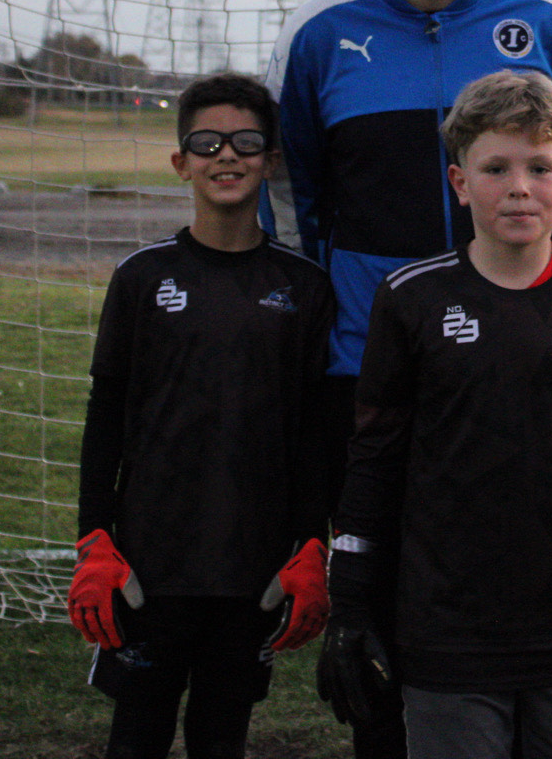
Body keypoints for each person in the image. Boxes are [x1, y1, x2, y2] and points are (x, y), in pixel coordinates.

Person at [264, 0, 552, 757]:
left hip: (521, 365)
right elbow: (296, 206)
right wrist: (326, 330)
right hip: (364, 370)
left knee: (523, 577)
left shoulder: (548, 24)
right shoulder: (319, 33)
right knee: (378, 610)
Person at [318, 70, 552, 759]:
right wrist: (353, 607)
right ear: (459, 182)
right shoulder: (410, 298)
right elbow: (373, 462)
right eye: (496, 167)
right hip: (451, 632)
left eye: (541, 166)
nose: (519, 186)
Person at [68, 73, 336, 759]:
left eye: (247, 141)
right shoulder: (142, 278)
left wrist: (311, 543)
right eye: (207, 142)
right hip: (148, 565)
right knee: (137, 733)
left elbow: (314, 433)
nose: (227, 155)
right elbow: (106, 418)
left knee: (223, 734)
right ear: (180, 161)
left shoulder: (302, 287)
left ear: (270, 159)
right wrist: (94, 537)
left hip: (253, 567)